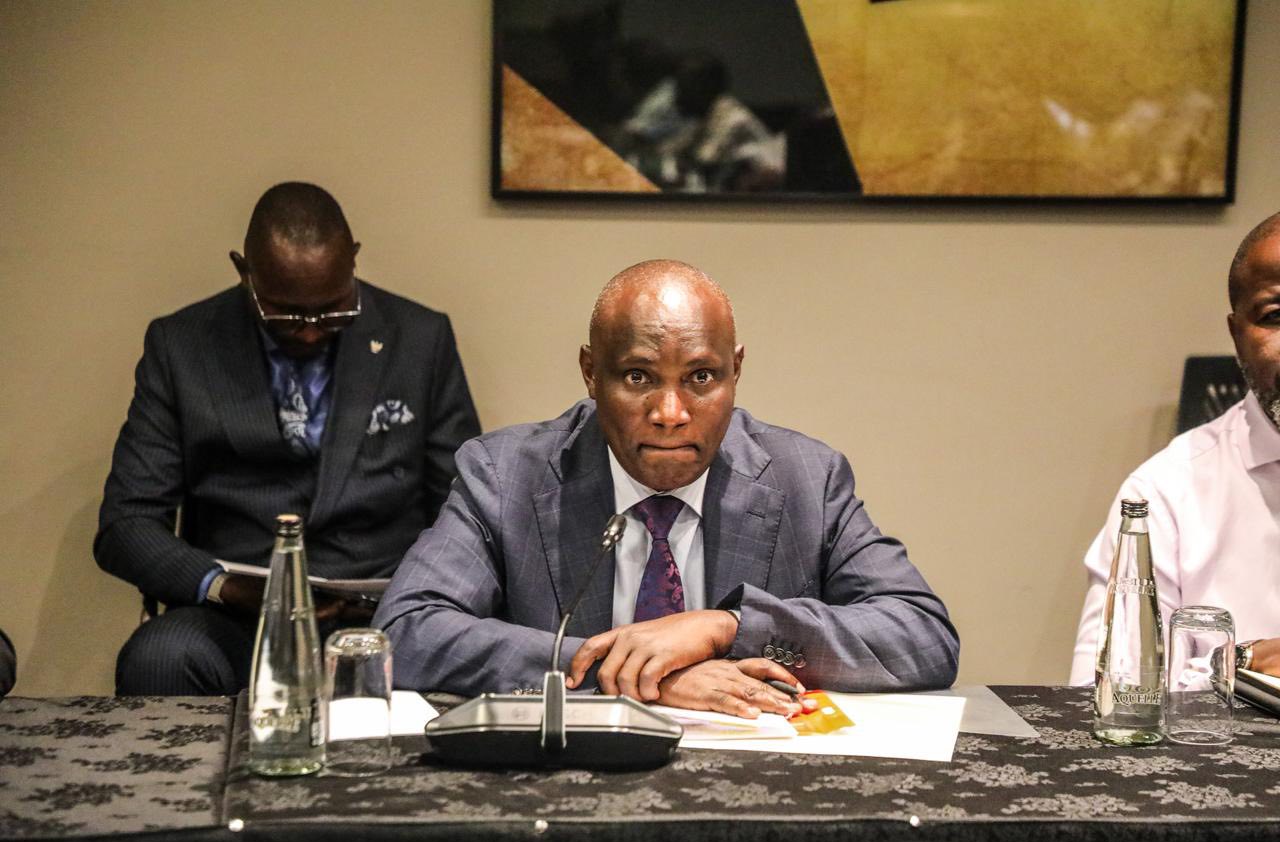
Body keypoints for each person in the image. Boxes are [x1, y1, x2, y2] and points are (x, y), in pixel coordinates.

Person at [375, 260, 958, 718]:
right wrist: (631, 674)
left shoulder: (806, 478)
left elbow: (922, 636)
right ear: (589, 373)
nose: (671, 412)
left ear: (736, 371)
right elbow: (406, 632)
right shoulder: (505, 475)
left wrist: (725, 627)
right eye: (638, 377)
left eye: (701, 378)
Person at [97, 182, 481, 696]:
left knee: (472, 652)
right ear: (243, 270)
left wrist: (422, 593)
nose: (309, 331)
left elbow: (462, 504)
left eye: (332, 310)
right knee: (162, 657)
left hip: (384, 613)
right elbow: (127, 523)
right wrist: (225, 587)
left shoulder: (419, 338)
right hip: (237, 617)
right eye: (285, 313)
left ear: (354, 262)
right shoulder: (181, 346)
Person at [1069, 212, 1280, 684]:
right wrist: (1242, 662)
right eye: (1277, 316)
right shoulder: (1163, 493)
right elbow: (1102, 690)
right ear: (1237, 337)